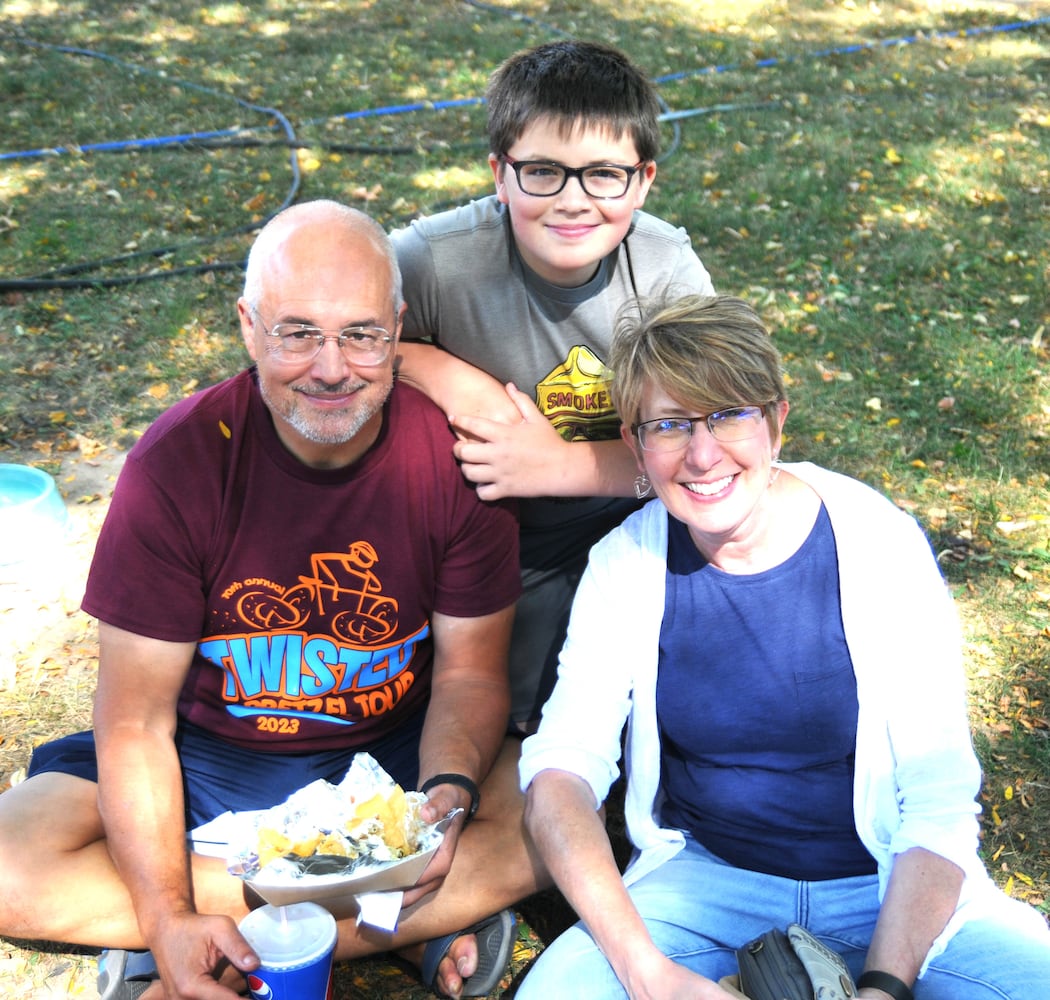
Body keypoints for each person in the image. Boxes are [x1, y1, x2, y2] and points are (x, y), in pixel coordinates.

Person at [0, 200, 548, 1000]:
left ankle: (233, 938)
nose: (331, 368)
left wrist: (447, 798)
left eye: (361, 333)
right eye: (298, 333)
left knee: (553, 821)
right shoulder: (176, 467)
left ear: (398, 328)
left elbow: (469, 675)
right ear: (249, 327)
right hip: (204, 760)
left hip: (389, 759)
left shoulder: (456, 462)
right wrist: (164, 910)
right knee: (10, 867)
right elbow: (134, 722)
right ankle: (388, 925)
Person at [516, 294, 1050, 999]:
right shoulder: (627, 562)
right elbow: (561, 770)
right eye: (670, 425)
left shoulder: (876, 539)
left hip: (886, 884)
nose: (703, 455)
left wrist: (884, 986)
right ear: (636, 443)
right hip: (704, 889)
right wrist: (653, 976)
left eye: (730, 414)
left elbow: (939, 797)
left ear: (776, 419)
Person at [391, 40, 715, 731]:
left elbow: (720, 443)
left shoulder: (664, 272)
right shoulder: (435, 260)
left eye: (604, 174)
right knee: (496, 721)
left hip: (630, 523)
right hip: (483, 542)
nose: (573, 201)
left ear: (644, 179)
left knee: (681, 700)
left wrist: (561, 465)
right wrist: (441, 371)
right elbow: (329, 341)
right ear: (499, 175)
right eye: (541, 171)